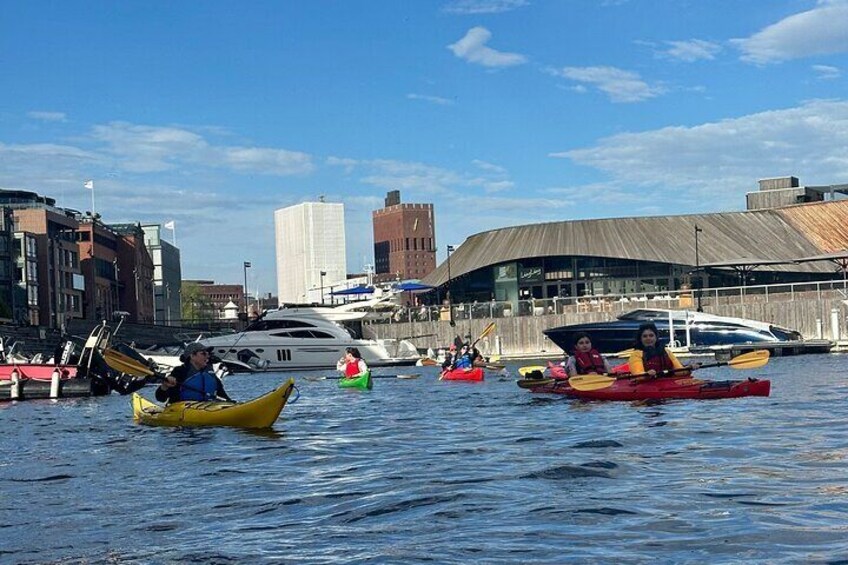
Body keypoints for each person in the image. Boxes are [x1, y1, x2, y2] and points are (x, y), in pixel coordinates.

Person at [155, 342, 233, 403]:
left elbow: (224, 397)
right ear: (192, 356)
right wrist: (164, 386)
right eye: (203, 353)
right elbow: (160, 398)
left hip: (206, 407)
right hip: (181, 409)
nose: (207, 356)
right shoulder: (180, 372)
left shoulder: (210, 375)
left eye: (208, 354)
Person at [628, 322, 700, 379]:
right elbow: (638, 375)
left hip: (667, 383)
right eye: (645, 336)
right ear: (640, 339)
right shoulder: (636, 354)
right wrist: (646, 374)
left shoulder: (666, 352)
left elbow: (678, 371)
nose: (648, 338)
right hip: (647, 384)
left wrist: (689, 368)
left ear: (656, 337)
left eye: (651, 335)